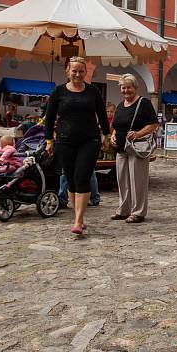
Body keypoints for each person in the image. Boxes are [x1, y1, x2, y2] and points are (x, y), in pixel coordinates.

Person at [44, 56, 110, 235]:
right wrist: (49, 140)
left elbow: (102, 114)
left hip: (90, 139)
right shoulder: (58, 92)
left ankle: (79, 220)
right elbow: (49, 118)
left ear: (85, 72)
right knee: (71, 179)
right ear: (67, 71)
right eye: (74, 71)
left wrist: (106, 134)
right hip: (65, 140)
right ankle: (77, 217)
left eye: (81, 71)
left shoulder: (93, 91)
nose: (78, 74)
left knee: (82, 176)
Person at [110, 74, 158, 223]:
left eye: (128, 87)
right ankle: (124, 210)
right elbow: (117, 125)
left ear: (135, 87)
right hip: (121, 148)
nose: (125, 90)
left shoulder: (144, 103)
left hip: (137, 148)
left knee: (138, 182)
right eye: (123, 87)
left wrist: (138, 133)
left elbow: (153, 124)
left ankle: (138, 212)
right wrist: (113, 135)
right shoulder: (119, 105)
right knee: (122, 181)